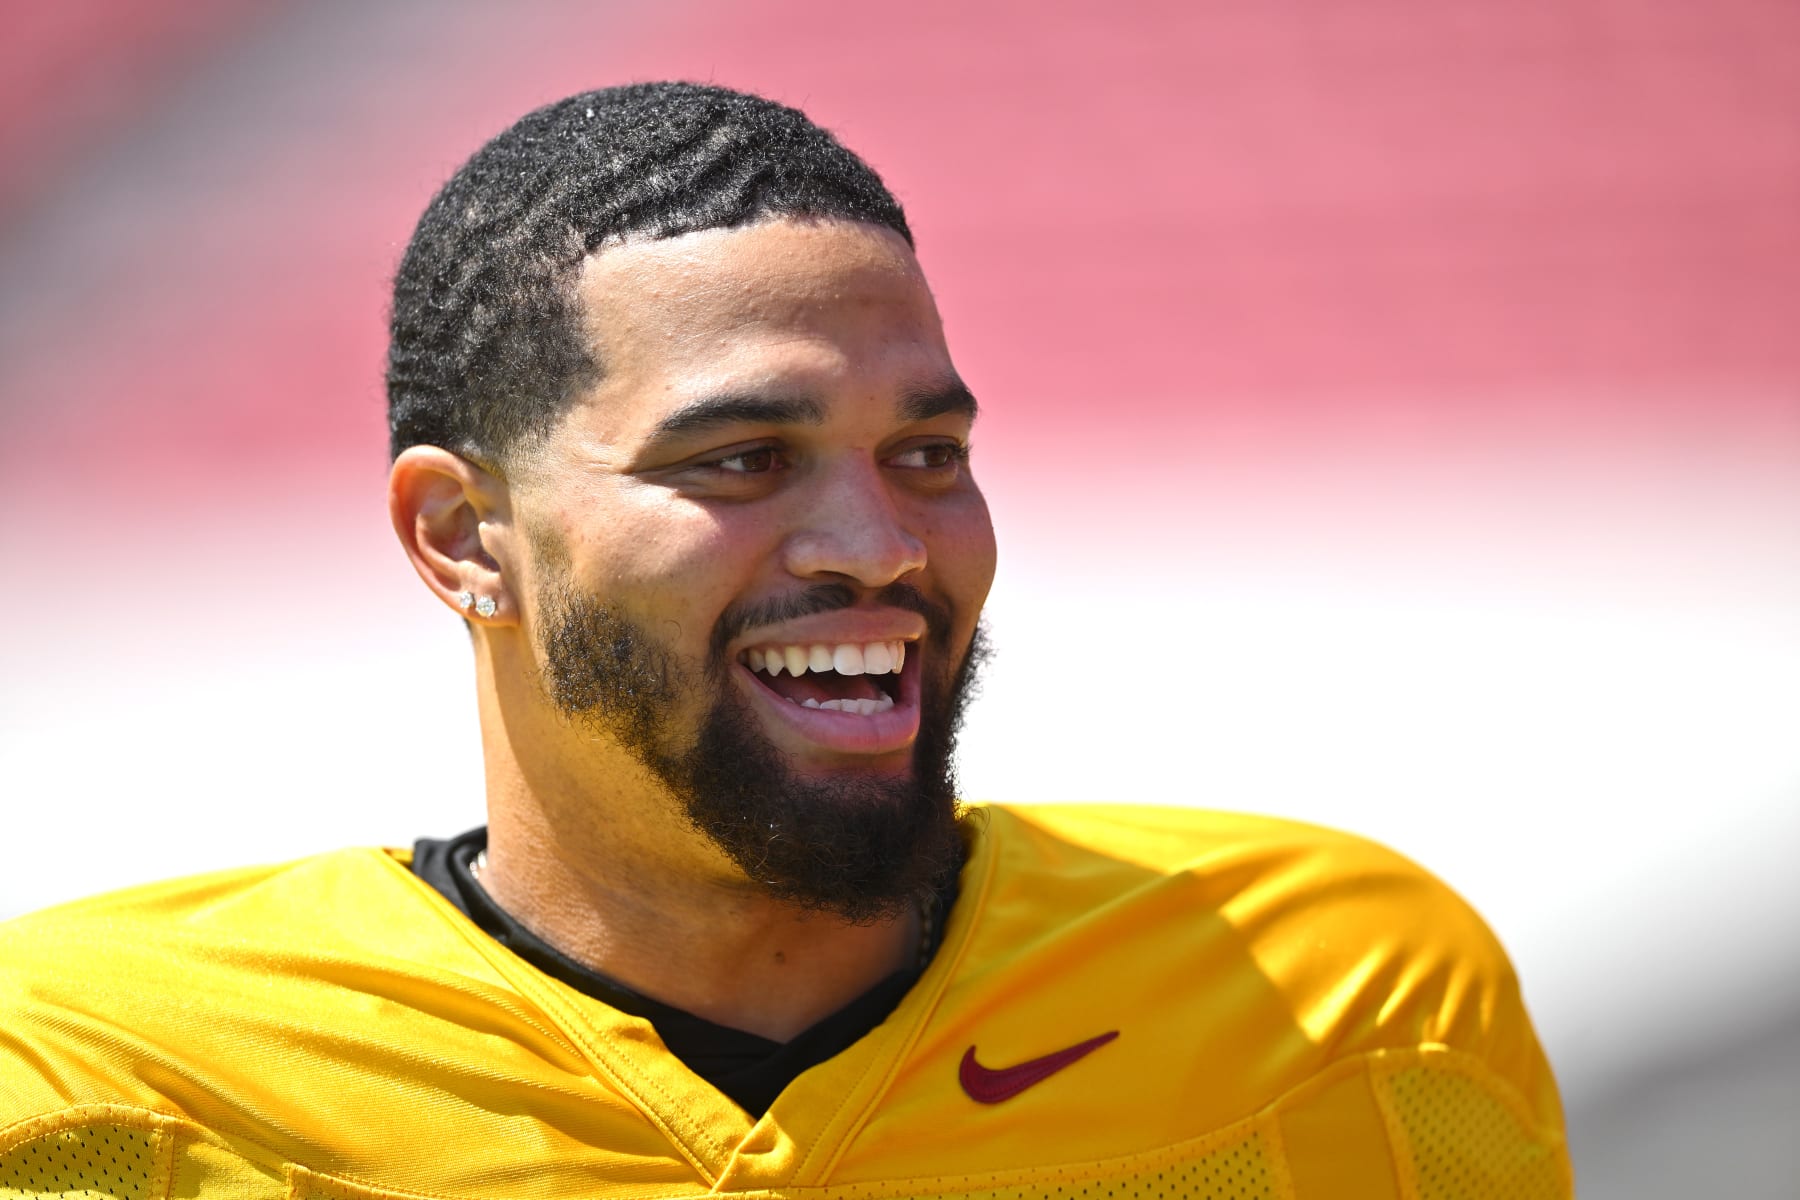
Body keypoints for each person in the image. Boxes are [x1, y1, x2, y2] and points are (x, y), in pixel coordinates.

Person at [0, 83, 1570, 1198]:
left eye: (927, 455)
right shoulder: (100, 1093)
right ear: (461, 535)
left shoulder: (1344, 998)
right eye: (740, 461)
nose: (881, 547)